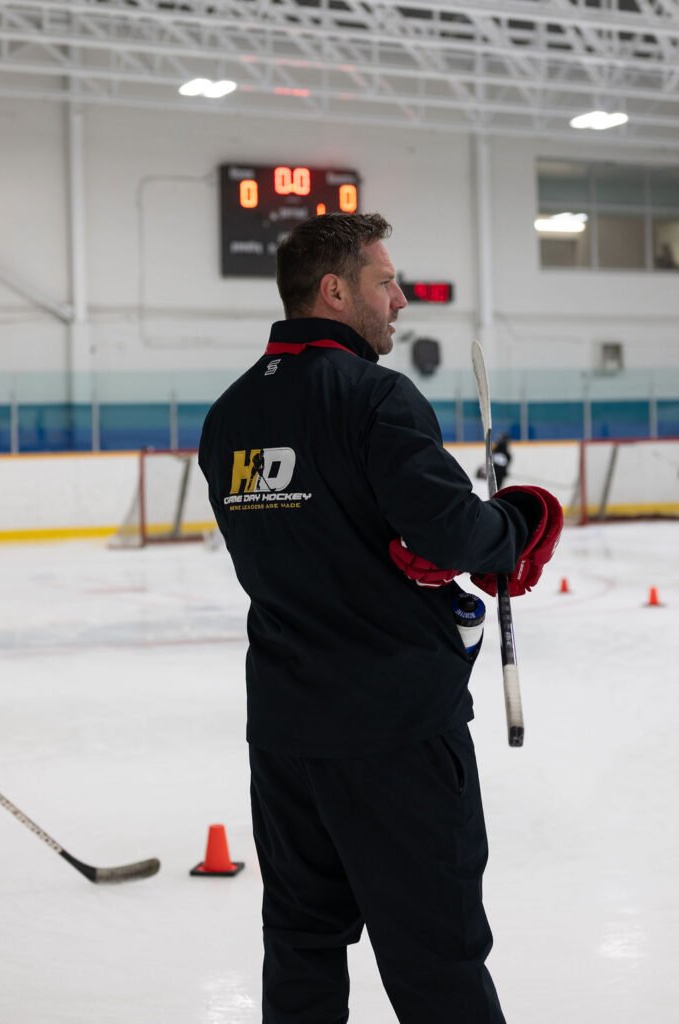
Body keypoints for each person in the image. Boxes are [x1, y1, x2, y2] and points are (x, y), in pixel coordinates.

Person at [198, 212, 562, 1024]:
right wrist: (513, 524)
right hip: (394, 732)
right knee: (435, 954)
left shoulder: (226, 419)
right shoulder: (373, 396)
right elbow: (453, 533)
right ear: (334, 290)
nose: (399, 299)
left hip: (287, 733)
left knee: (300, 940)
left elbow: (315, 541)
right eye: (384, 281)